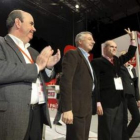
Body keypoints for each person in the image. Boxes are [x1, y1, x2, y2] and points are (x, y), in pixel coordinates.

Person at [0, 10, 61, 140]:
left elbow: (41, 77)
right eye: (31, 24)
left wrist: (48, 68)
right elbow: (2, 70)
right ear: (18, 23)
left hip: (37, 114)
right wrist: (36, 66)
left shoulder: (32, 51)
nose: (34, 28)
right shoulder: (1, 43)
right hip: (13, 115)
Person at [91, 28, 137, 140]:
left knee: (117, 130)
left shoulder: (116, 60)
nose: (115, 49)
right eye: (112, 46)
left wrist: (132, 38)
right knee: (105, 130)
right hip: (106, 103)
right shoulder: (97, 62)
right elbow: (95, 83)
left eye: (116, 47)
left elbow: (130, 54)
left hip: (119, 102)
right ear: (105, 48)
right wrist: (97, 102)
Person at [59, 31, 97, 140]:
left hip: (86, 108)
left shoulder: (87, 59)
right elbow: (66, 81)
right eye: (89, 39)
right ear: (80, 41)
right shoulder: (73, 54)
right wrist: (67, 109)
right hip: (75, 109)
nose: (93, 41)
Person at [120, 58, 140, 139]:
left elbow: (136, 85)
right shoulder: (120, 68)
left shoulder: (132, 69)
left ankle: (126, 135)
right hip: (123, 96)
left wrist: (138, 99)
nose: (127, 61)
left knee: (137, 118)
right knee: (124, 119)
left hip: (132, 96)